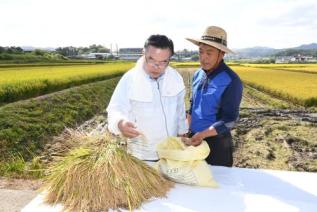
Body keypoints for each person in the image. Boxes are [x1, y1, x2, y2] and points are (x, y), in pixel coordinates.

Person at [107, 34, 188, 161]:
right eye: (151, 59)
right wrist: (120, 123)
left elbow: (180, 110)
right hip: (142, 156)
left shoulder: (175, 78)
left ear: (169, 59)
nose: (157, 67)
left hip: (170, 153)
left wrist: (183, 131)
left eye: (163, 62)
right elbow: (115, 109)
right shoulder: (130, 79)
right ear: (143, 53)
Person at [185, 26, 243, 167]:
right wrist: (186, 131)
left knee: (218, 185)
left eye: (209, 53)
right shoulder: (198, 74)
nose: (203, 57)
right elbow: (193, 106)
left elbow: (230, 119)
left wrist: (203, 135)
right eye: (201, 52)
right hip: (194, 140)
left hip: (217, 145)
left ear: (221, 54)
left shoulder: (231, 80)